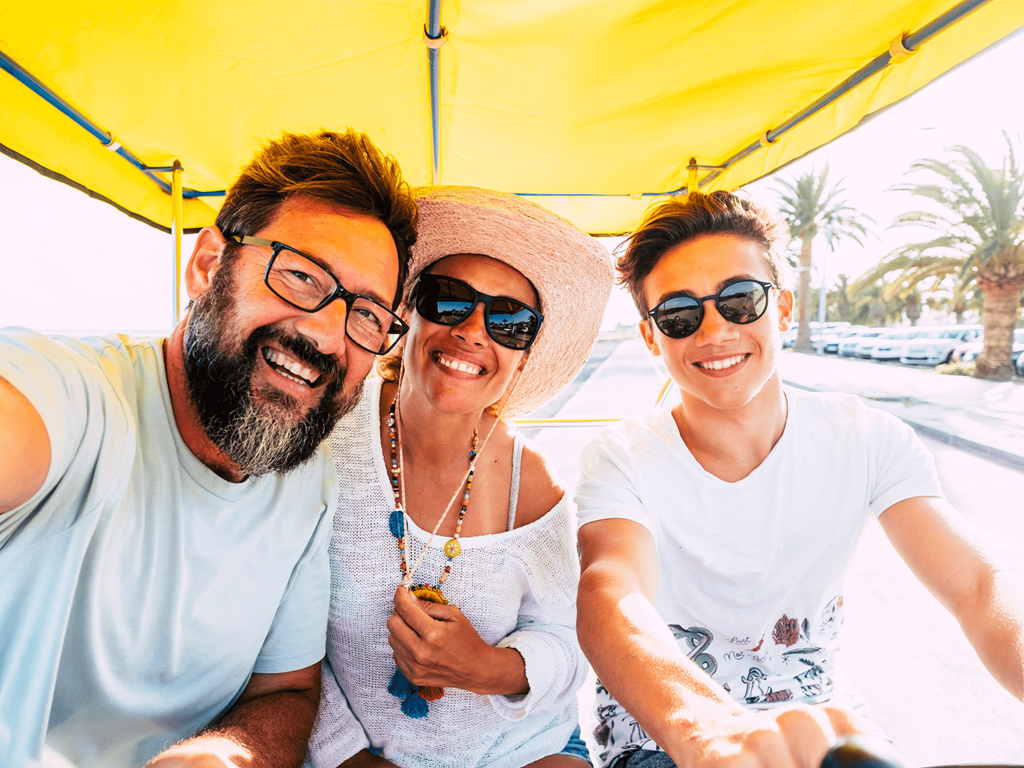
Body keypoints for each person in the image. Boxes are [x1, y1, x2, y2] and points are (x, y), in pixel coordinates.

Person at [0, 129, 418, 768]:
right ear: (205, 265)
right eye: (302, 276)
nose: (330, 336)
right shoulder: (81, 400)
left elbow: (287, 688)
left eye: (366, 316)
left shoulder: (308, 481)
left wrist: (226, 755)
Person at [574, 190, 1024, 768]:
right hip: (665, 737)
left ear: (782, 309)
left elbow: (979, 585)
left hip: (819, 713)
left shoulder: (866, 437)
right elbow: (611, 594)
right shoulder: (620, 458)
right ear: (651, 337)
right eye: (680, 315)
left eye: (738, 300)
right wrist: (709, 732)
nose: (713, 332)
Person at [308, 186, 614, 768]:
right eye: (449, 301)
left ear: (524, 355)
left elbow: (570, 641)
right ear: (408, 314)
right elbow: (274, 636)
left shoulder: (535, 482)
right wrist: (344, 755)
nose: (473, 330)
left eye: (510, 321)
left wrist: (489, 669)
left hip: (523, 751)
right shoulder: (328, 435)